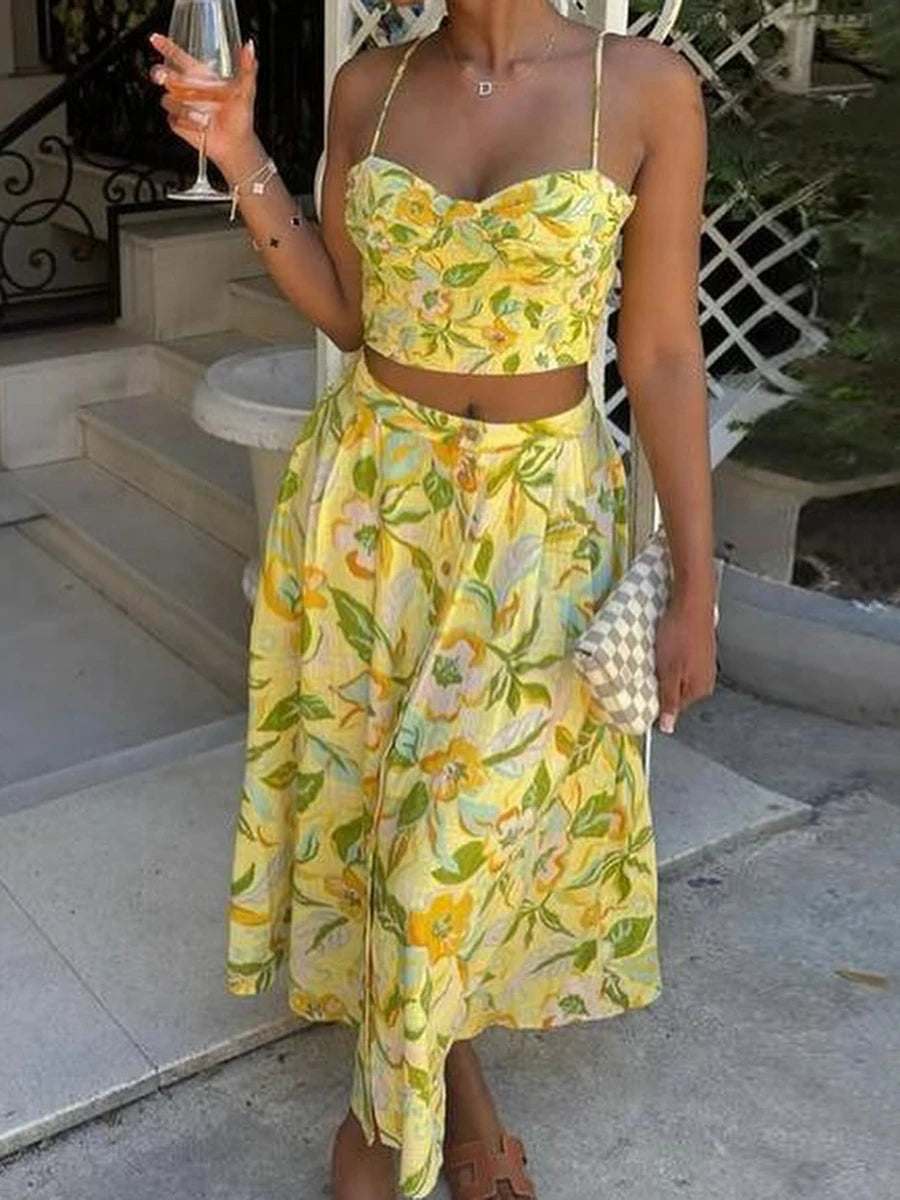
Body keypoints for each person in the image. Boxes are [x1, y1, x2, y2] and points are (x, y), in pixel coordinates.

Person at [151, 2, 716, 1196]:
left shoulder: (647, 89)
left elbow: (661, 351)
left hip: (538, 530)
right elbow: (354, 318)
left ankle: (376, 1129)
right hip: (370, 511)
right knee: (383, 813)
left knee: (451, 840)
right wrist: (243, 156)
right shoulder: (372, 87)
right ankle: (448, 1093)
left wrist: (696, 588)